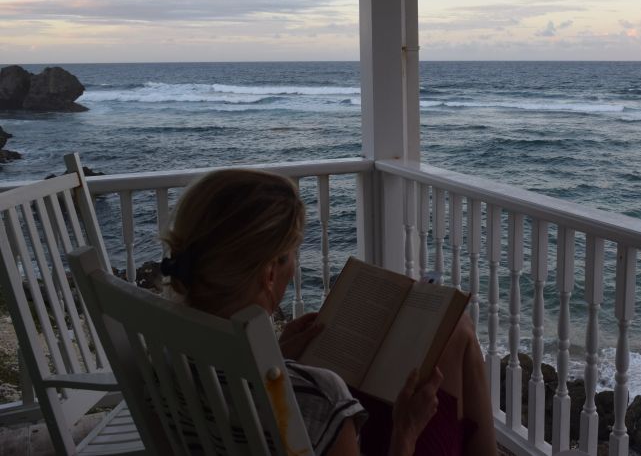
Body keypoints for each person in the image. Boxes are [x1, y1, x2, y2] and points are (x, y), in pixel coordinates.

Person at [159, 168, 495, 456]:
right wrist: (406, 430)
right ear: (269, 274)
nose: (294, 267)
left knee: (455, 334)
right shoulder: (321, 396)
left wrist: (275, 356)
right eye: (291, 254)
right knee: (458, 329)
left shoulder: (162, 345)